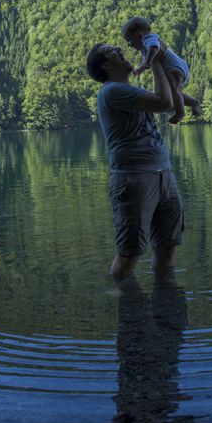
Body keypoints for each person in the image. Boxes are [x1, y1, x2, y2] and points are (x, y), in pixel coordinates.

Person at [86, 43, 185, 282]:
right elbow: (165, 103)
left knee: (166, 247)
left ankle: (165, 306)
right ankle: (125, 305)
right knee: (128, 255)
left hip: (163, 174)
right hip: (133, 178)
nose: (119, 47)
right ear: (106, 65)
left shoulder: (128, 90)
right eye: (111, 50)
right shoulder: (112, 91)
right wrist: (157, 61)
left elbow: (168, 99)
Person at [121, 16, 202, 124]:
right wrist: (140, 69)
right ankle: (193, 102)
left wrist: (149, 61)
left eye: (129, 40)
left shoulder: (148, 39)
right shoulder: (144, 46)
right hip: (175, 68)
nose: (129, 45)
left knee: (174, 90)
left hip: (175, 67)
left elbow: (154, 47)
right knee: (172, 91)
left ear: (139, 35)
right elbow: (145, 60)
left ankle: (180, 112)